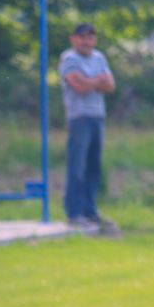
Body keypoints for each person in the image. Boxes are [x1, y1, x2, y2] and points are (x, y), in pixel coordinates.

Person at [59, 23, 117, 231]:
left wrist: (91, 81)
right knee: (78, 166)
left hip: (97, 117)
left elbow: (110, 86)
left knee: (94, 166)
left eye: (90, 37)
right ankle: (74, 213)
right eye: (82, 37)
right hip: (79, 118)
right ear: (73, 38)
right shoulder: (69, 59)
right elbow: (79, 86)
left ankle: (90, 211)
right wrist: (96, 81)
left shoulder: (99, 58)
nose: (87, 41)